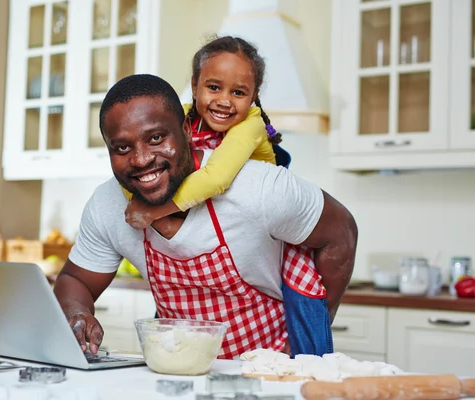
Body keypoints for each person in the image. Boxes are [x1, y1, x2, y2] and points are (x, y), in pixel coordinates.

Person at [53, 73, 358, 360]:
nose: (141, 159)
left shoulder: (256, 187)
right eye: (122, 147)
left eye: (157, 138)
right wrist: (75, 313)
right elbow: (75, 279)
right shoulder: (106, 204)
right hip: (180, 372)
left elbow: (341, 230)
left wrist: (315, 323)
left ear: (186, 129)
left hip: (270, 371)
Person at [121, 36, 332, 357]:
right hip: (203, 219)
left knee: (300, 297)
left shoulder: (252, 124)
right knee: (176, 307)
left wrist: (153, 210)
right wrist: (136, 196)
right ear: (194, 86)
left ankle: (309, 361)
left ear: (254, 96)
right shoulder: (181, 117)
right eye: (214, 87)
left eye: (238, 92)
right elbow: (141, 161)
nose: (224, 101)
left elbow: (218, 179)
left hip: (263, 232)